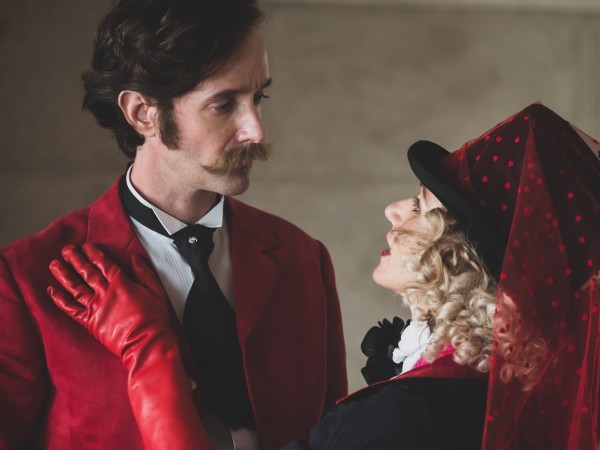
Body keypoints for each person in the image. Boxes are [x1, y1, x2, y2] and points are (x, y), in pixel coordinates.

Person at [48, 102, 599, 450]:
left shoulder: (407, 416)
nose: (393, 210)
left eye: (421, 204)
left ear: (462, 256)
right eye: (225, 102)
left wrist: (148, 347)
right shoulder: (502, 393)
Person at [0, 1, 347, 449]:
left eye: (258, 98)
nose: (256, 130)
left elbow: (339, 436)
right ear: (142, 112)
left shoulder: (303, 258)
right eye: (224, 104)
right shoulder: (25, 277)